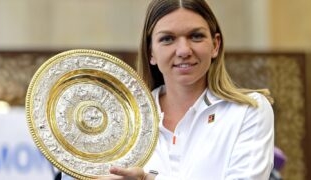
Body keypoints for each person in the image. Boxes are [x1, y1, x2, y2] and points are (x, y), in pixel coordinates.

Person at [63, 0, 274, 179]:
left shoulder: (249, 111)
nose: (183, 50)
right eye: (167, 39)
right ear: (151, 52)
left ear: (215, 45)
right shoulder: (119, 122)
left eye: (196, 36)